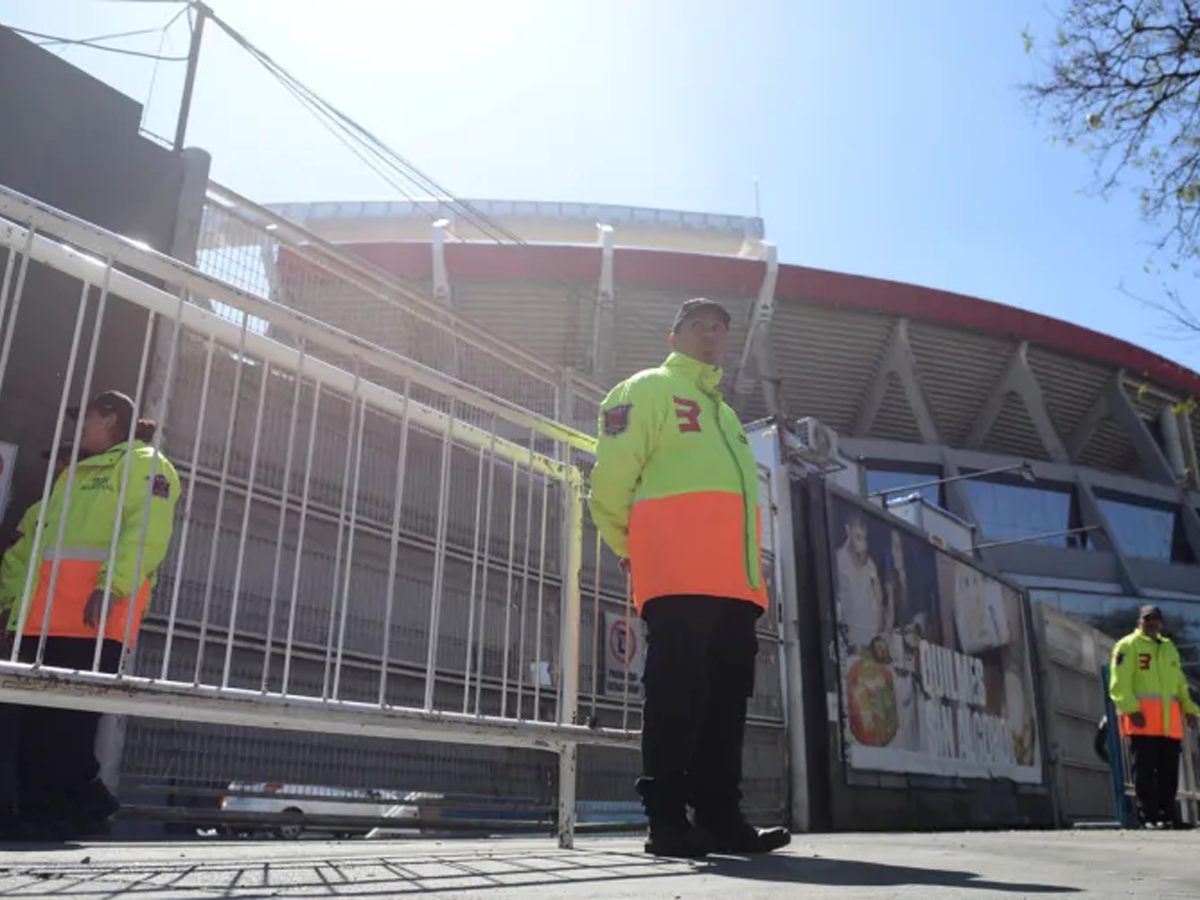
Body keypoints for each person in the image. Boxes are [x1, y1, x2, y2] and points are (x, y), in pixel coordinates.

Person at [589, 297, 791, 858]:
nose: (711, 336)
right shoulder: (647, 388)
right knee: (678, 698)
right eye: (700, 327)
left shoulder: (726, 416)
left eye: (721, 330)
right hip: (678, 578)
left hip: (735, 588)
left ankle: (722, 819)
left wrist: (754, 583)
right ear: (674, 336)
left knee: (725, 706)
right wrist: (632, 549)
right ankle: (667, 821)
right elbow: (609, 482)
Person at [0, 390, 180, 839]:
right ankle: (57, 806)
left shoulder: (145, 464)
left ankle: (64, 808)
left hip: (94, 617)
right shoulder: (76, 476)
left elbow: (146, 535)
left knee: (69, 722)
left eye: (88, 421)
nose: (81, 431)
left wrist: (112, 586)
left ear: (111, 418)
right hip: (47, 619)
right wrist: (14, 612)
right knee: (45, 720)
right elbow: (38, 554)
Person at [0, 442, 77, 837]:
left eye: (61, 463)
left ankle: (18, 807)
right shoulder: (43, 510)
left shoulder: (62, 512)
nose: (55, 470)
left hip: (37, 627)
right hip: (24, 623)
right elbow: (16, 563)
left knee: (20, 722)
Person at [1109, 604, 1199, 829]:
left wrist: (1189, 710)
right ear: (1140, 622)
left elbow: (1179, 683)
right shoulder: (1128, 646)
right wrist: (1131, 709)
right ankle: (1148, 816)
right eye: (1147, 619)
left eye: (1156, 619)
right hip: (1143, 721)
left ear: (1161, 623)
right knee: (1145, 771)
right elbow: (1119, 683)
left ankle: (1169, 815)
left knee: (1169, 772)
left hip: (1169, 724)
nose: (1152, 623)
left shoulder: (1169, 648)